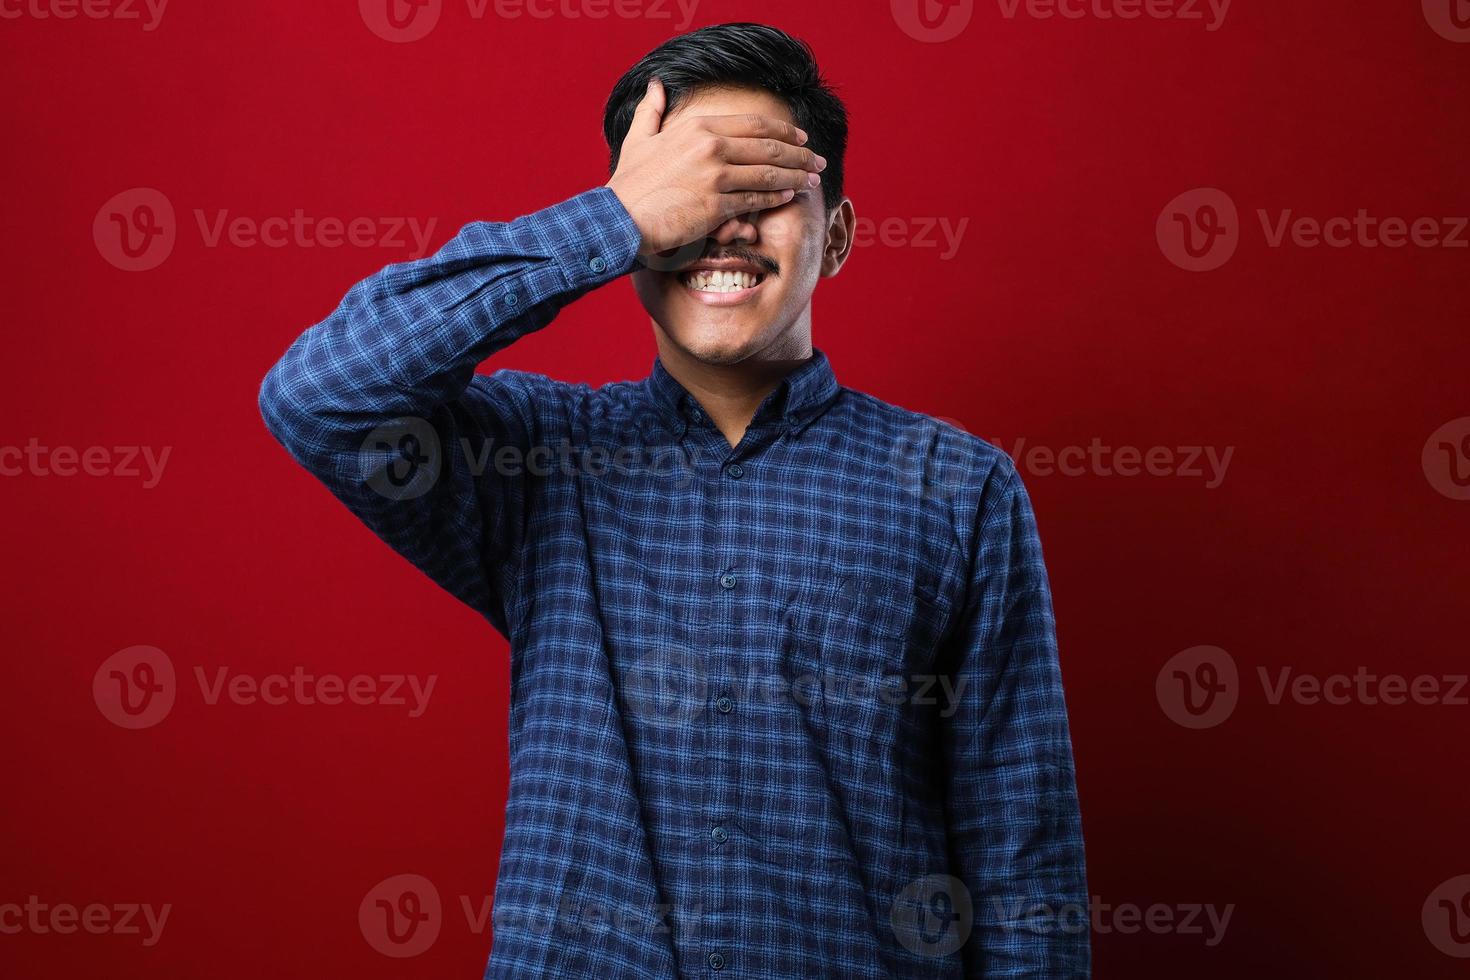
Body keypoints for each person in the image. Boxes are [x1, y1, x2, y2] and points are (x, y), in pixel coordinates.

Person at [259, 21, 1088, 979]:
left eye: (765, 191)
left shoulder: (958, 488)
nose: (725, 226)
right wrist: (611, 220)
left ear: (841, 236)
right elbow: (319, 395)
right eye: (695, 192)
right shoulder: (535, 460)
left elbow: (1023, 865)